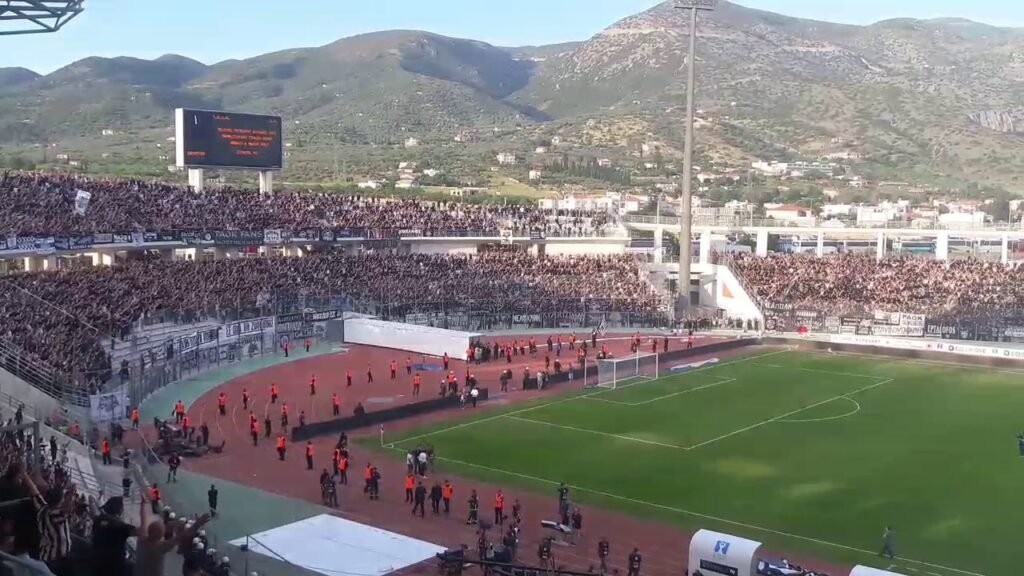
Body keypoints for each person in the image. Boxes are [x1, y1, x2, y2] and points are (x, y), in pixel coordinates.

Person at [92, 497, 136, 576]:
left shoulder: (97, 520)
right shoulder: (119, 526)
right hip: (115, 568)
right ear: (120, 510)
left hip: (97, 565)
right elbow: (142, 532)